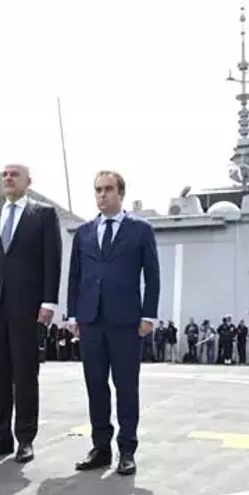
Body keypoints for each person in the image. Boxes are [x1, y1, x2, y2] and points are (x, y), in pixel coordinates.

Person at [67, 170, 161, 476]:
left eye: (108, 189)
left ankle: (127, 449)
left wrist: (148, 315)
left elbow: (152, 275)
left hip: (126, 321)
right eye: (98, 190)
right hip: (91, 320)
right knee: (95, 385)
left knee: (126, 386)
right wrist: (73, 315)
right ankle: (101, 448)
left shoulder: (140, 230)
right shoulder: (83, 232)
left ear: (120, 193)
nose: (102, 194)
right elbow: (75, 276)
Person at [0, 164, 62, 463]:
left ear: (28, 182)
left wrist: (49, 302)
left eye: (14, 175)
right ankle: (0, 437)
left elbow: (52, 259)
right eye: (5, 175)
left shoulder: (43, 214)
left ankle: (25, 438)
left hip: (27, 307)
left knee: (25, 374)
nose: (8, 178)